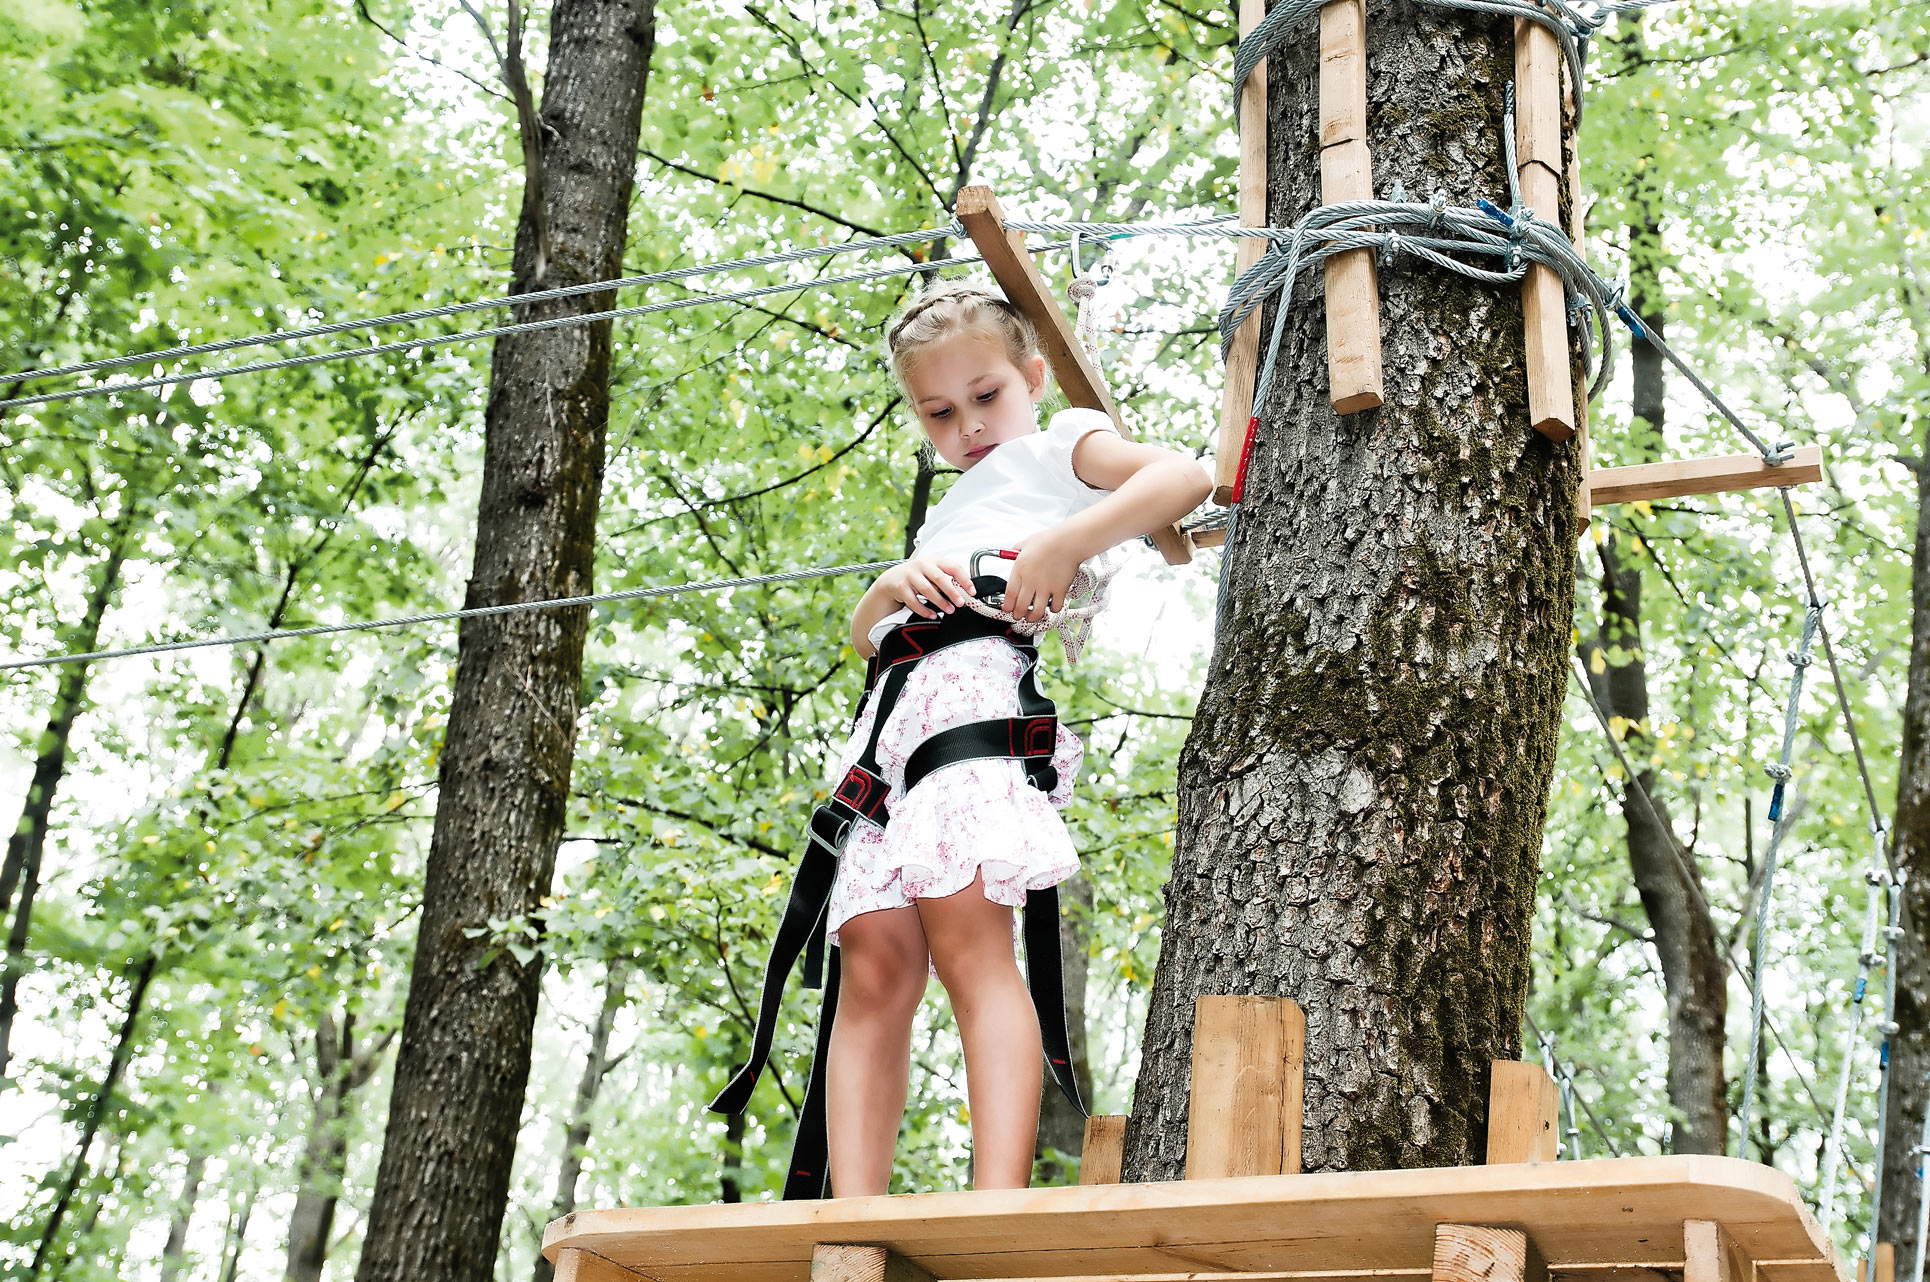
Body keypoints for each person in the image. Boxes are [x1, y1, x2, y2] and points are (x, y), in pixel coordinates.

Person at [824, 281, 1210, 1196]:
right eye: (940, 413)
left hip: (970, 716)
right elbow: (865, 633)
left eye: (986, 395)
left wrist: (1067, 544)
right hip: (885, 740)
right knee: (871, 963)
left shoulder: (1056, 446)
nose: (969, 427)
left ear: (1032, 377)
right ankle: (852, 1212)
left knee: (970, 944)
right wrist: (890, 585)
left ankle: (993, 1199)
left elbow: (1182, 474)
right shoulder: (948, 513)